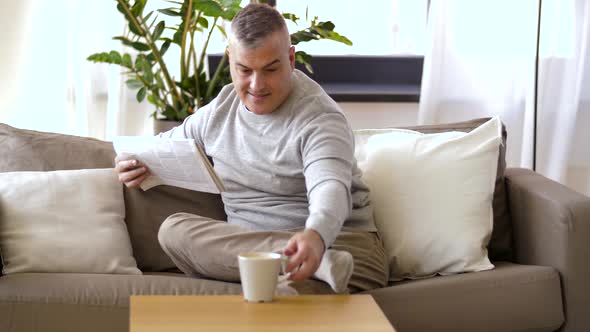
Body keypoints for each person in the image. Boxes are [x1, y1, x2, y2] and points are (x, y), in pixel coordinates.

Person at [114, 3, 387, 293]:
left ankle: (306, 265)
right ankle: (297, 269)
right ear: (230, 59)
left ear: (291, 59)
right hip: (252, 248)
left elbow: (330, 187)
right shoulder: (220, 110)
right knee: (173, 231)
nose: (257, 85)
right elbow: (163, 145)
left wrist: (317, 236)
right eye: (245, 70)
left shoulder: (319, 118)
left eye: (271, 69)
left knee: (281, 296)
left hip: (343, 245)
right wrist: (132, 160)